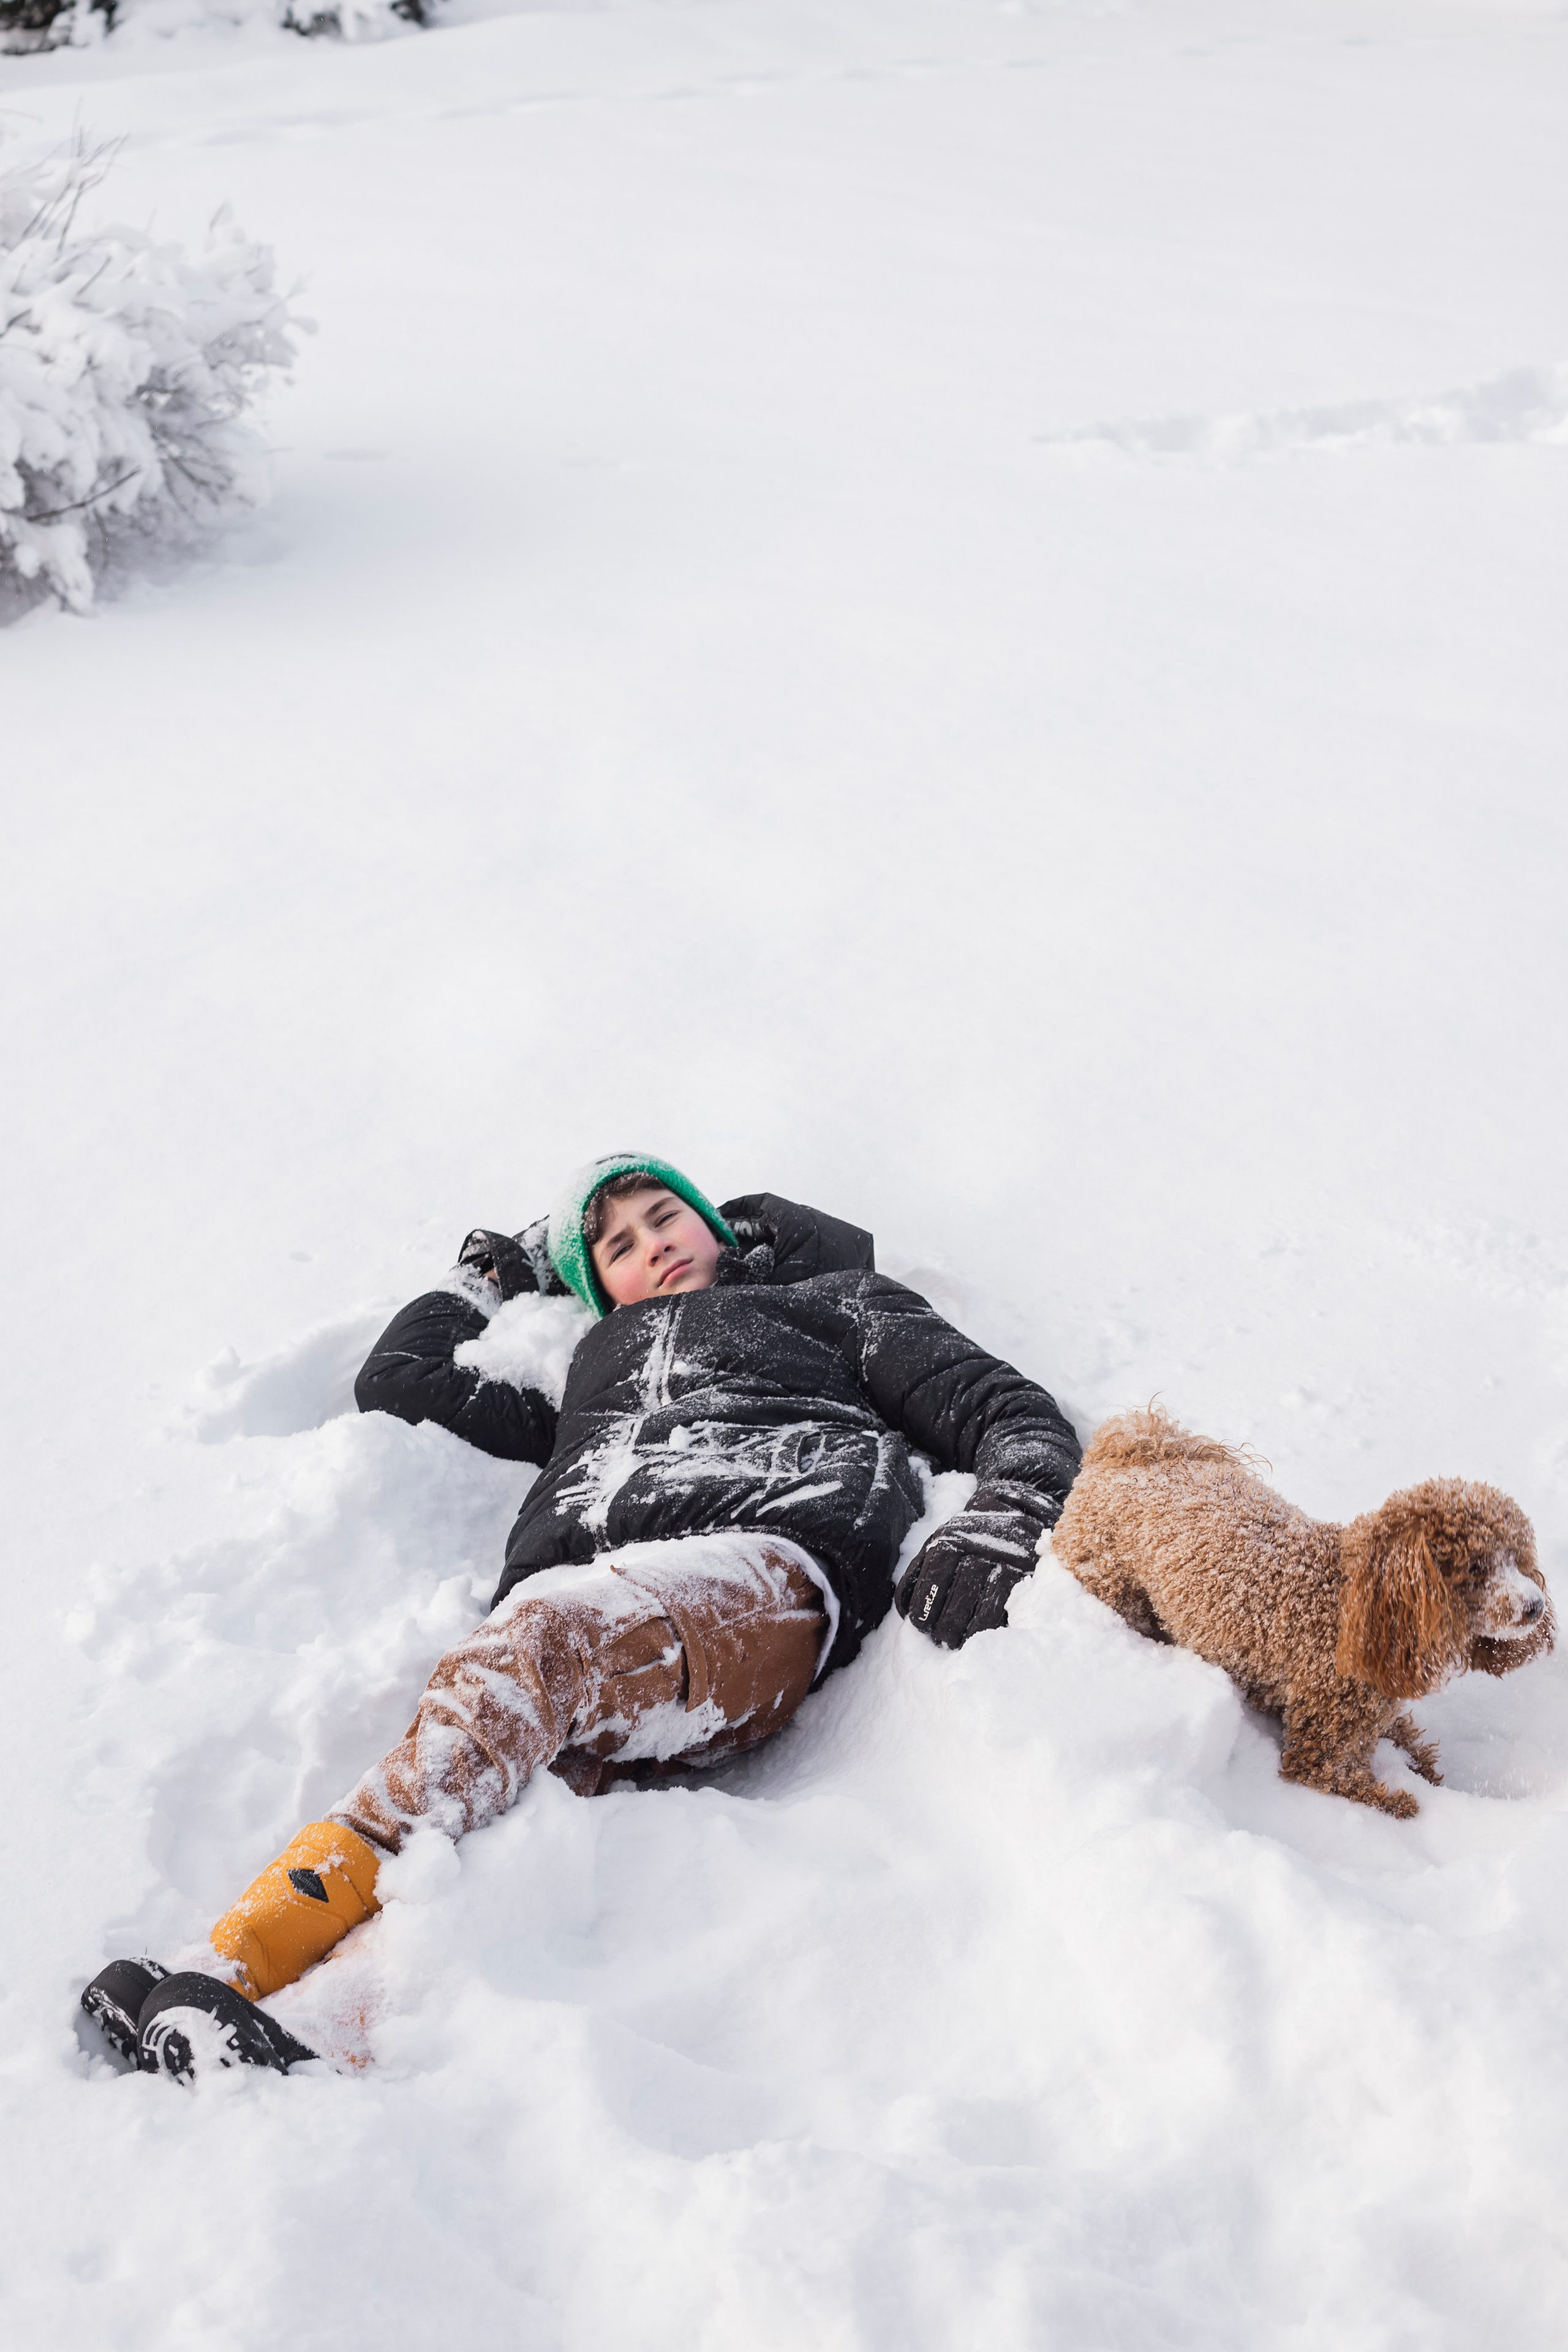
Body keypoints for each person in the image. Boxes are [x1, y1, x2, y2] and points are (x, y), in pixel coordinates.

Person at [81, 1156, 1081, 2081]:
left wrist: (1003, 1519)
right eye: (620, 1245)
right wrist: (488, 1275)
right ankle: (313, 2029)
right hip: (589, 1622)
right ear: (602, 1288)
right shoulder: (589, 1377)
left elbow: (1010, 1414)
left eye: (666, 1216)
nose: (655, 1242)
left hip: (761, 1573)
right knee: (501, 1808)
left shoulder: (837, 1306)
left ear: (714, 1224)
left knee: (539, 1653)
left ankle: (237, 1951)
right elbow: (398, 1382)